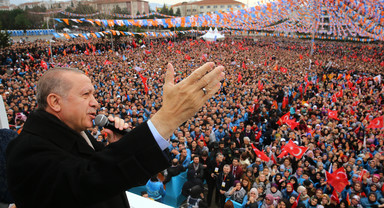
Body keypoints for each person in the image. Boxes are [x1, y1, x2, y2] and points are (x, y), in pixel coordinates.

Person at [6, 63, 225, 208]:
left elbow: (112, 175)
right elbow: (87, 181)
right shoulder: (27, 150)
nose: (95, 102)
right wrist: (167, 119)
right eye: (85, 95)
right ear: (55, 102)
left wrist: (118, 147)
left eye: (93, 93)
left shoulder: (76, 133)